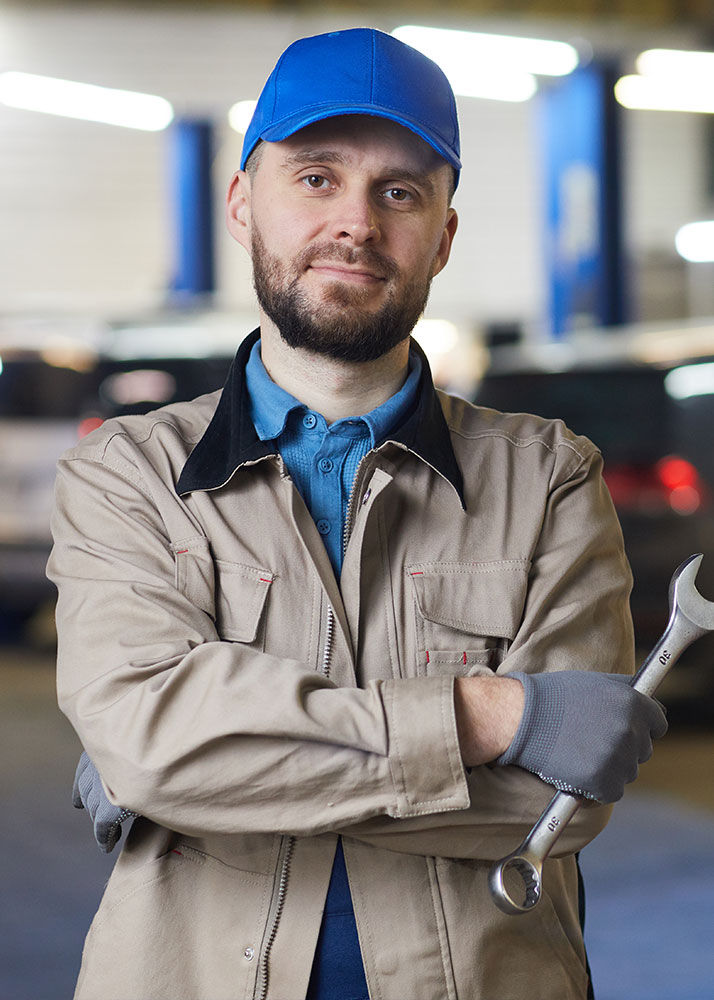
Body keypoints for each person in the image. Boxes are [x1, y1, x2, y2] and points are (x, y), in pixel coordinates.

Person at [50, 27, 667, 1000]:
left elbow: (553, 804)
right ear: (243, 205)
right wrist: (486, 713)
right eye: (316, 178)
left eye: (401, 191)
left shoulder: (549, 476)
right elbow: (150, 744)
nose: (357, 222)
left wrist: (201, 767)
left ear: (444, 233)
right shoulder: (128, 474)